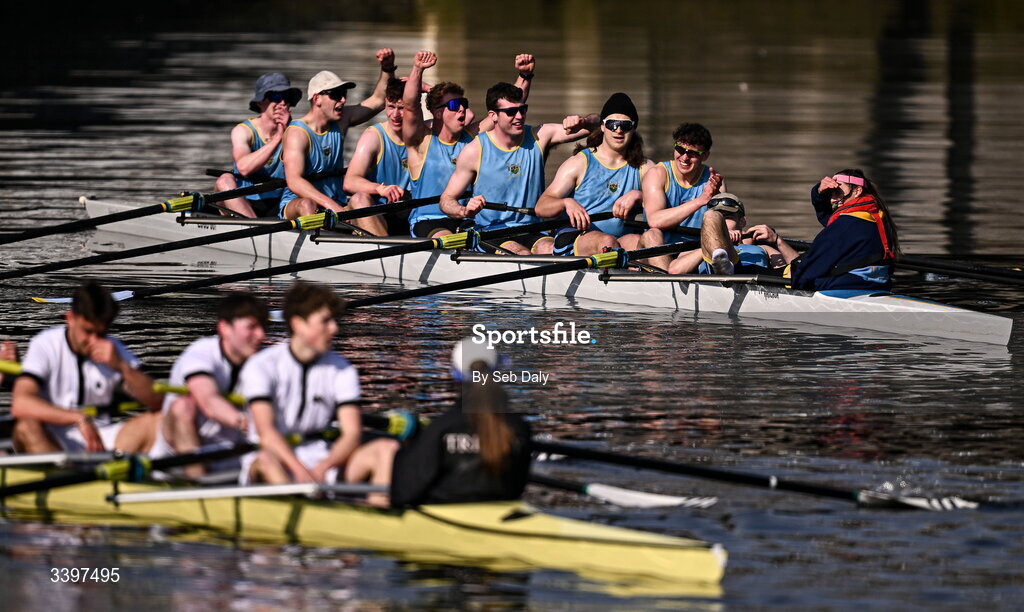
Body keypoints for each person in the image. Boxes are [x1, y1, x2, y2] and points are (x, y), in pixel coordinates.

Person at [345, 338, 531, 507]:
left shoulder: (442, 428)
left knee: (384, 454)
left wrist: (410, 446)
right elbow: (517, 488)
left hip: (446, 516)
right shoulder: (519, 427)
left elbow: (405, 493)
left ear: (454, 376)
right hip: (497, 513)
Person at [439, 83, 599, 254]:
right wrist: (464, 210)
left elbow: (599, 124)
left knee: (551, 250)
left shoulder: (539, 136)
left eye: (523, 109)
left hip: (534, 231)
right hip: (491, 232)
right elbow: (446, 200)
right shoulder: (474, 150)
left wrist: (584, 121)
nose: (519, 116)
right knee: (522, 254)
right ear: (493, 116)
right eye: (511, 112)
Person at [11, 281, 163, 453]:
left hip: (103, 437)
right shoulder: (46, 344)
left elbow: (158, 402)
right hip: (54, 437)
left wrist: (122, 367)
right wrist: (78, 419)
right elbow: (21, 404)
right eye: (88, 331)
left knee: (161, 419)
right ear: (70, 318)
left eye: (101, 333)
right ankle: (67, 475)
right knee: (26, 427)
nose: (94, 341)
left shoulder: (114, 348)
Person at [402, 50, 535, 238]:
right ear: (438, 113)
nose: (462, 109)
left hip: (465, 219)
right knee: (450, 239)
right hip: (429, 221)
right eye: (455, 105)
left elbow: (510, 108)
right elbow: (410, 106)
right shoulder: (420, 141)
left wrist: (525, 75)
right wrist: (417, 69)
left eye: (464, 103)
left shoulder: (472, 137)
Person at [238, 281, 361, 484]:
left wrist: (323, 467)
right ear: (298, 324)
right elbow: (266, 433)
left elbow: (352, 434)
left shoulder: (343, 369)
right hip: (271, 456)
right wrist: (301, 471)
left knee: (385, 450)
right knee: (267, 459)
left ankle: (380, 509)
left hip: (320, 458)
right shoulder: (262, 365)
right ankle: (299, 505)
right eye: (325, 321)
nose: (334, 328)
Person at [146, 293, 268, 478]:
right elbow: (209, 402)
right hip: (179, 456)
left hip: (236, 453)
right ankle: (198, 483)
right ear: (225, 328)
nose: (261, 335)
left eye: (263, 327)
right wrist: (246, 422)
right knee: (183, 406)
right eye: (251, 327)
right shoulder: (201, 353)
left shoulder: (264, 360)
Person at [277, 48, 396, 220]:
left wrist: (387, 69)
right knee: (307, 205)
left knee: (362, 199)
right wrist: (333, 207)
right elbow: (295, 181)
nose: (343, 100)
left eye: (344, 94)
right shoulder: (297, 133)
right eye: (336, 95)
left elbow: (378, 101)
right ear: (317, 99)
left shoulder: (341, 121)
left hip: (336, 204)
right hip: (298, 205)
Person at [535, 92, 657, 256]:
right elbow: (541, 207)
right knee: (607, 242)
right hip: (575, 237)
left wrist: (639, 195)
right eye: (612, 124)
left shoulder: (645, 167)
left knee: (646, 241)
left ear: (634, 128)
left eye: (625, 125)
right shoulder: (578, 163)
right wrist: (566, 203)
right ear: (602, 126)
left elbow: (667, 206)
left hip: (620, 240)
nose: (618, 130)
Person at [789, 169, 900, 291]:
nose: (832, 200)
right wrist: (819, 193)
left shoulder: (845, 224)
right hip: (878, 284)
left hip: (846, 286)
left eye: (837, 192)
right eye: (830, 194)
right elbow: (828, 216)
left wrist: (795, 283)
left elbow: (807, 273)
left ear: (857, 191)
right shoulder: (876, 216)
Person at [214, 73, 303, 218]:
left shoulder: (297, 131)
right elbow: (243, 167)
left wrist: (289, 134)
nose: (282, 102)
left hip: (280, 202)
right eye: (275, 97)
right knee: (224, 180)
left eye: (286, 97)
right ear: (259, 102)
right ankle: (252, 228)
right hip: (244, 200)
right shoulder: (242, 131)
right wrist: (277, 140)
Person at [640, 123, 725, 270]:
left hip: (691, 253)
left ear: (705, 155)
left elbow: (726, 224)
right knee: (651, 235)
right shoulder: (657, 174)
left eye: (692, 153)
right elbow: (655, 220)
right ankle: (668, 283)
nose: (684, 158)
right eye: (680, 149)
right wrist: (700, 201)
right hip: (655, 251)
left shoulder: (714, 181)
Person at [341, 78, 411, 236]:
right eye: (391, 107)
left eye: (401, 108)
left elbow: (467, 117)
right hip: (379, 212)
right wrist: (381, 189)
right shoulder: (373, 137)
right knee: (359, 199)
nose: (395, 115)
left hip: (410, 213)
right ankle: (384, 252)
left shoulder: (424, 132)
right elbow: (349, 182)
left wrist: (426, 88)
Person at [668, 193, 798, 275]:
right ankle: (721, 263)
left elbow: (798, 270)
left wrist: (777, 240)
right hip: (714, 280)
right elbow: (675, 270)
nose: (722, 224)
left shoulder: (764, 249)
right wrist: (715, 244)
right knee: (710, 215)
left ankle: (727, 268)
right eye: (719, 220)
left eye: (728, 217)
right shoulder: (696, 249)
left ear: (742, 222)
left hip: (751, 278)